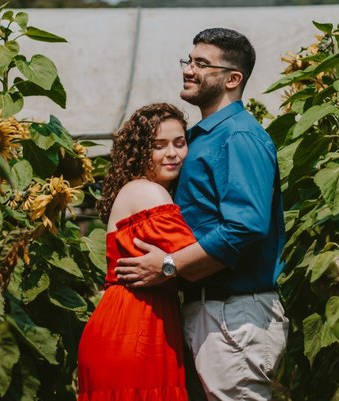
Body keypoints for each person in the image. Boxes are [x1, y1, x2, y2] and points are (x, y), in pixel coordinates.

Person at [115, 28, 288, 401]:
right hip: (210, 312)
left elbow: (245, 227)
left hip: (233, 313)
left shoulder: (238, 136)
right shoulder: (200, 136)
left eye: (201, 64)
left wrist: (168, 265)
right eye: (189, 61)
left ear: (232, 78)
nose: (188, 70)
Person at [77, 102, 197, 401]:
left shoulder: (136, 189)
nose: (172, 153)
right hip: (136, 328)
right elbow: (195, 259)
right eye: (159, 145)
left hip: (128, 324)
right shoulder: (149, 192)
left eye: (179, 143)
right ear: (139, 152)